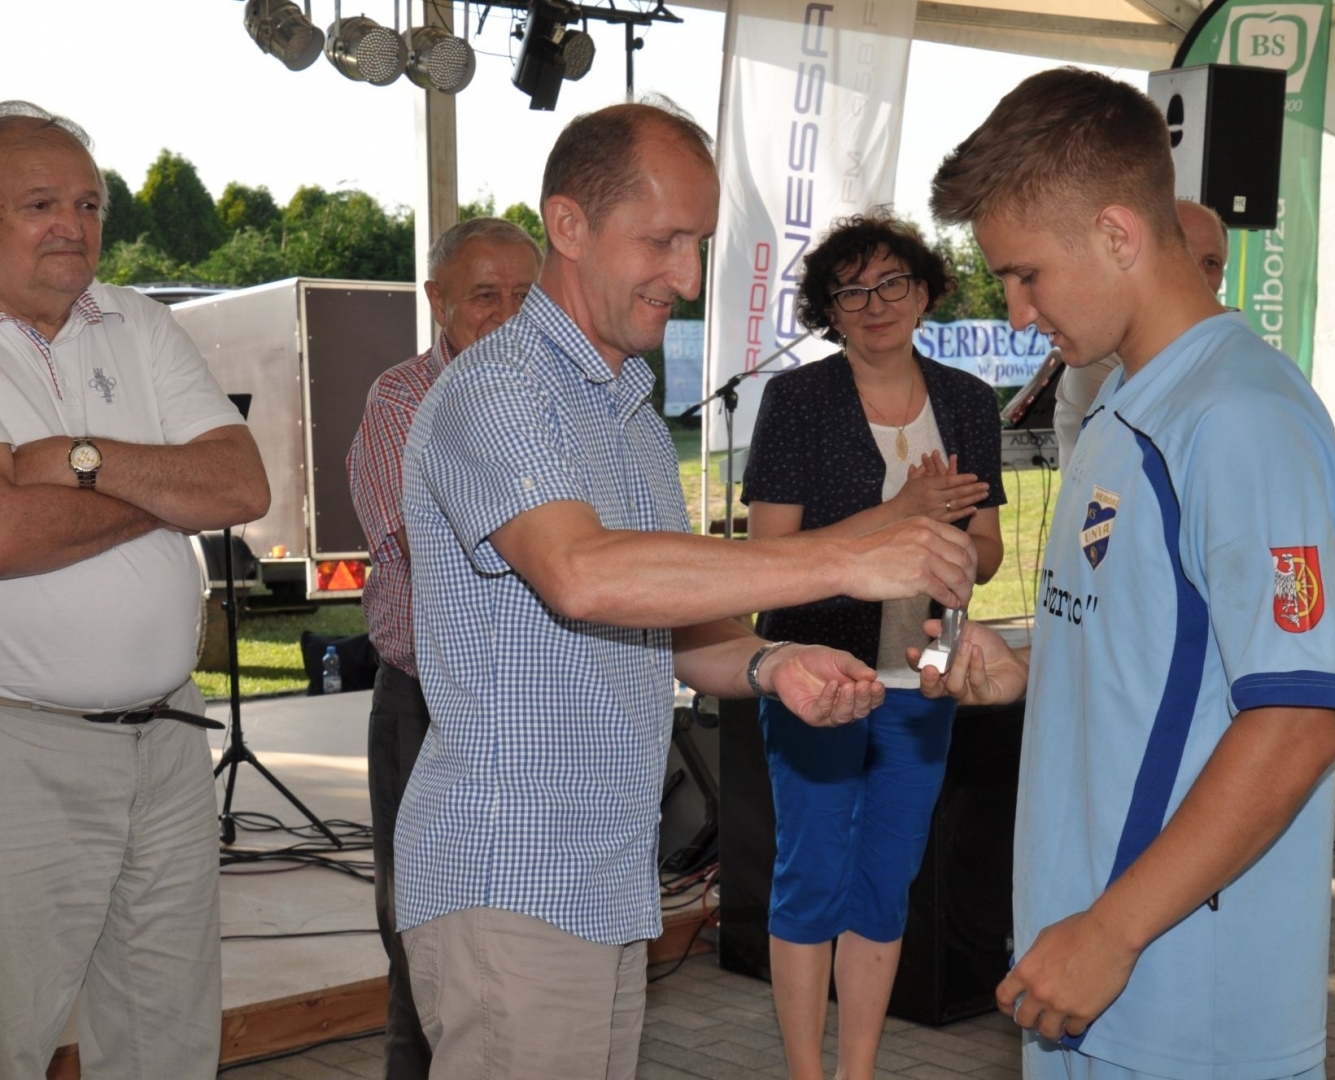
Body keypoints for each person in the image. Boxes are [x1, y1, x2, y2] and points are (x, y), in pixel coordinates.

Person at [394, 99, 978, 1080]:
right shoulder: (501, 390)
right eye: (660, 240)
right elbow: (581, 574)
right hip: (513, 882)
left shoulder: (622, 408)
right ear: (568, 226)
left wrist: (771, 659)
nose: (687, 276)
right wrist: (840, 558)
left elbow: (669, 623)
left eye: (699, 243)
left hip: (604, 879)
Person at [923, 69, 1335, 1079]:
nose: (1020, 312)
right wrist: (1025, 665)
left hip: (1183, 998)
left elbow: (1295, 722)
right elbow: (1166, 649)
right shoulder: (1122, 406)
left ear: (1118, 235)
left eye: (1027, 275)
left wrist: (1114, 929)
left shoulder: (1240, 418)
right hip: (1087, 975)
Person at [0, 101, 270, 1079]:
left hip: (165, 739)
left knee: (165, 1039)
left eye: (88, 202)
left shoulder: (140, 320)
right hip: (21, 748)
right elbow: (6, 533)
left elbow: (241, 485)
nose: (73, 224)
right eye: (40, 203)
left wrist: (71, 460)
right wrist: (161, 488)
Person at [742, 212, 1006, 1080]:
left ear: (925, 290)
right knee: (811, 872)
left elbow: (991, 547)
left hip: (925, 675)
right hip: (816, 671)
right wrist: (897, 518)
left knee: (886, 879)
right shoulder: (796, 401)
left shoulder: (966, 399)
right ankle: (804, 1072)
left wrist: (950, 541)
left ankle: (856, 1071)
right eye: (849, 291)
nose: (874, 303)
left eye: (892, 283)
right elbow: (768, 558)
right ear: (830, 310)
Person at [346, 216, 542, 1080]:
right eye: (484, 297)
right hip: (430, 702)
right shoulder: (402, 400)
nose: (505, 315)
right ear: (435, 302)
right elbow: (449, 558)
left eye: (525, 296)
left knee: (530, 921)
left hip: (539, 698)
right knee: (423, 923)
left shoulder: (559, 397)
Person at [1052, 199, 1229, 470]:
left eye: (1211, 263)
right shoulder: (1100, 354)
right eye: (1184, 256)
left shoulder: (1235, 351)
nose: (1199, 276)